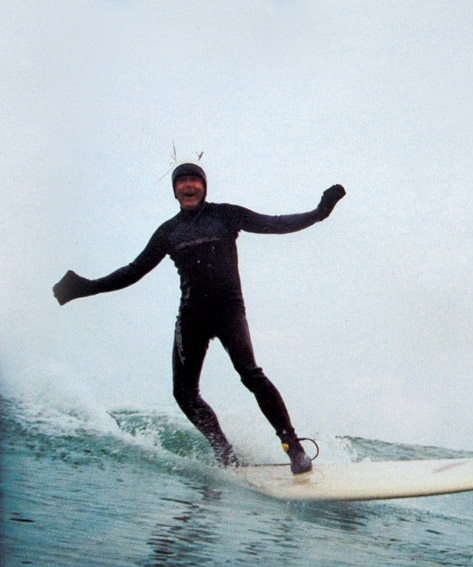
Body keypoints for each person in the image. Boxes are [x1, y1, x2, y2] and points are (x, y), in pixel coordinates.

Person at [52, 162, 345, 473]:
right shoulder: (168, 232)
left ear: (204, 186)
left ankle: (294, 448)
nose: (188, 185)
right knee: (184, 393)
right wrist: (86, 287)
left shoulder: (225, 215)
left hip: (229, 311)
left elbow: (273, 223)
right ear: (175, 190)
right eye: (182, 181)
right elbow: (132, 271)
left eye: (194, 180)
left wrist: (318, 213)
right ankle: (224, 453)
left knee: (250, 374)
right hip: (191, 316)